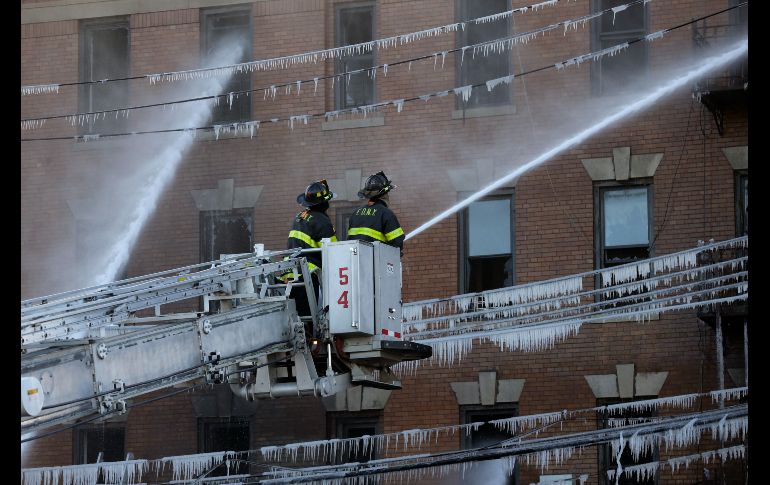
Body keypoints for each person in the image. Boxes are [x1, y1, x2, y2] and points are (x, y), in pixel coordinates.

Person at [283, 179, 337, 318]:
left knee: (296, 317)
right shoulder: (321, 220)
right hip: (308, 274)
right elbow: (334, 252)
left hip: (290, 273)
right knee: (309, 320)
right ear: (323, 203)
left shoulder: (300, 217)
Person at [347, 171, 404, 253]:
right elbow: (397, 242)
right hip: (376, 261)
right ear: (384, 194)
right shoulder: (386, 214)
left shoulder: (356, 213)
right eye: (387, 193)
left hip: (355, 260)